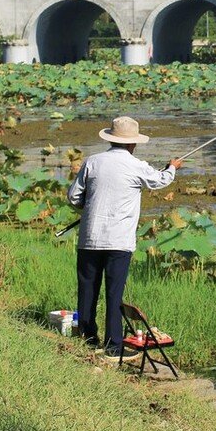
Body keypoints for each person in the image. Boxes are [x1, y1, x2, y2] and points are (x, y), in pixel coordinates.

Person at [67, 116, 182, 355]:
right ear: (133, 144)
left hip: (90, 237)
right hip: (118, 241)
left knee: (87, 288)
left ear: (111, 139)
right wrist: (172, 167)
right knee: (114, 293)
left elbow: (73, 197)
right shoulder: (136, 165)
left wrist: (87, 208)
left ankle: (88, 338)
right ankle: (113, 346)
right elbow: (160, 180)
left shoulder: (92, 162)